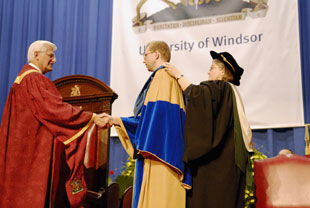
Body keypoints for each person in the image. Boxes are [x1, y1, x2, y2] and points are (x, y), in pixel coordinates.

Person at [0, 40, 110, 208]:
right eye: (50, 55)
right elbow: (55, 110)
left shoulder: (21, 80)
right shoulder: (34, 79)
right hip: (35, 156)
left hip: (20, 155)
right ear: (36, 55)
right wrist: (92, 118)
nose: (55, 60)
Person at [105, 41, 191, 208]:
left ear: (156, 55)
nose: (143, 60)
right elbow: (150, 120)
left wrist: (118, 121)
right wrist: (119, 121)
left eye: (145, 55)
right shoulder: (169, 78)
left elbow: (155, 125)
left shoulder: (162, 77)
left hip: (161, 156)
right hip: (165, 154)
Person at [163, 51, 253, 208]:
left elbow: (196, 94)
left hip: (218, 167)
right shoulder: (231, 92)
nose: (208, 71)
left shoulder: (220, 88)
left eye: (212, 68)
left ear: (223, 72)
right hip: (229, 165)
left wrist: (178, 75)